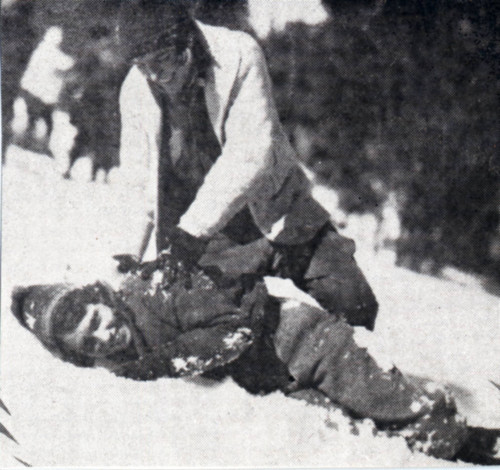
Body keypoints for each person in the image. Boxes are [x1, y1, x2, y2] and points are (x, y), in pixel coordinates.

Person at [12, 257, 474, 461]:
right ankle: (436, 448)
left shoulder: (156, 292)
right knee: (354, 436)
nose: (104, 335)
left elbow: (234, 329)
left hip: (300, 341)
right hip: (275, 383)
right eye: (91, 344)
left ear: (101, 298)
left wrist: (163, 365)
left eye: (96, 319)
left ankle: (452, 428)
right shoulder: (128, 357)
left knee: (380, 397)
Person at [115, 0, 378, 331]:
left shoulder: (238, 54)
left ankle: (377, 370)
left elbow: (250, 152)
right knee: (225, 335)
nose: (156, 76)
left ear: (187, 42)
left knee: (353, 300)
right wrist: (127, 253)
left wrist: (192, 231)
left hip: (276, 210)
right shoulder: (136, 89)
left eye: (163, 61)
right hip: (213, 235)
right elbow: (137, 180)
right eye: (143, 65)